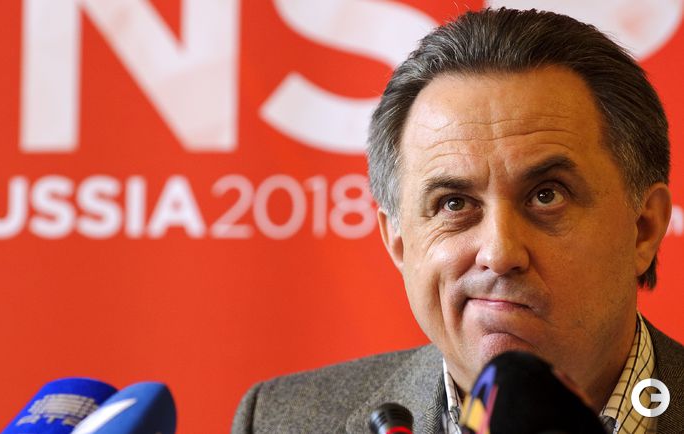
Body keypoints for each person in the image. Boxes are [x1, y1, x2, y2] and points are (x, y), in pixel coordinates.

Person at [232, 8, 684, 433]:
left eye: (547, 196)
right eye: (453, 204)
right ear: (399, 242)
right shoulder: (281, 420)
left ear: (643, 229)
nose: (500, 253)